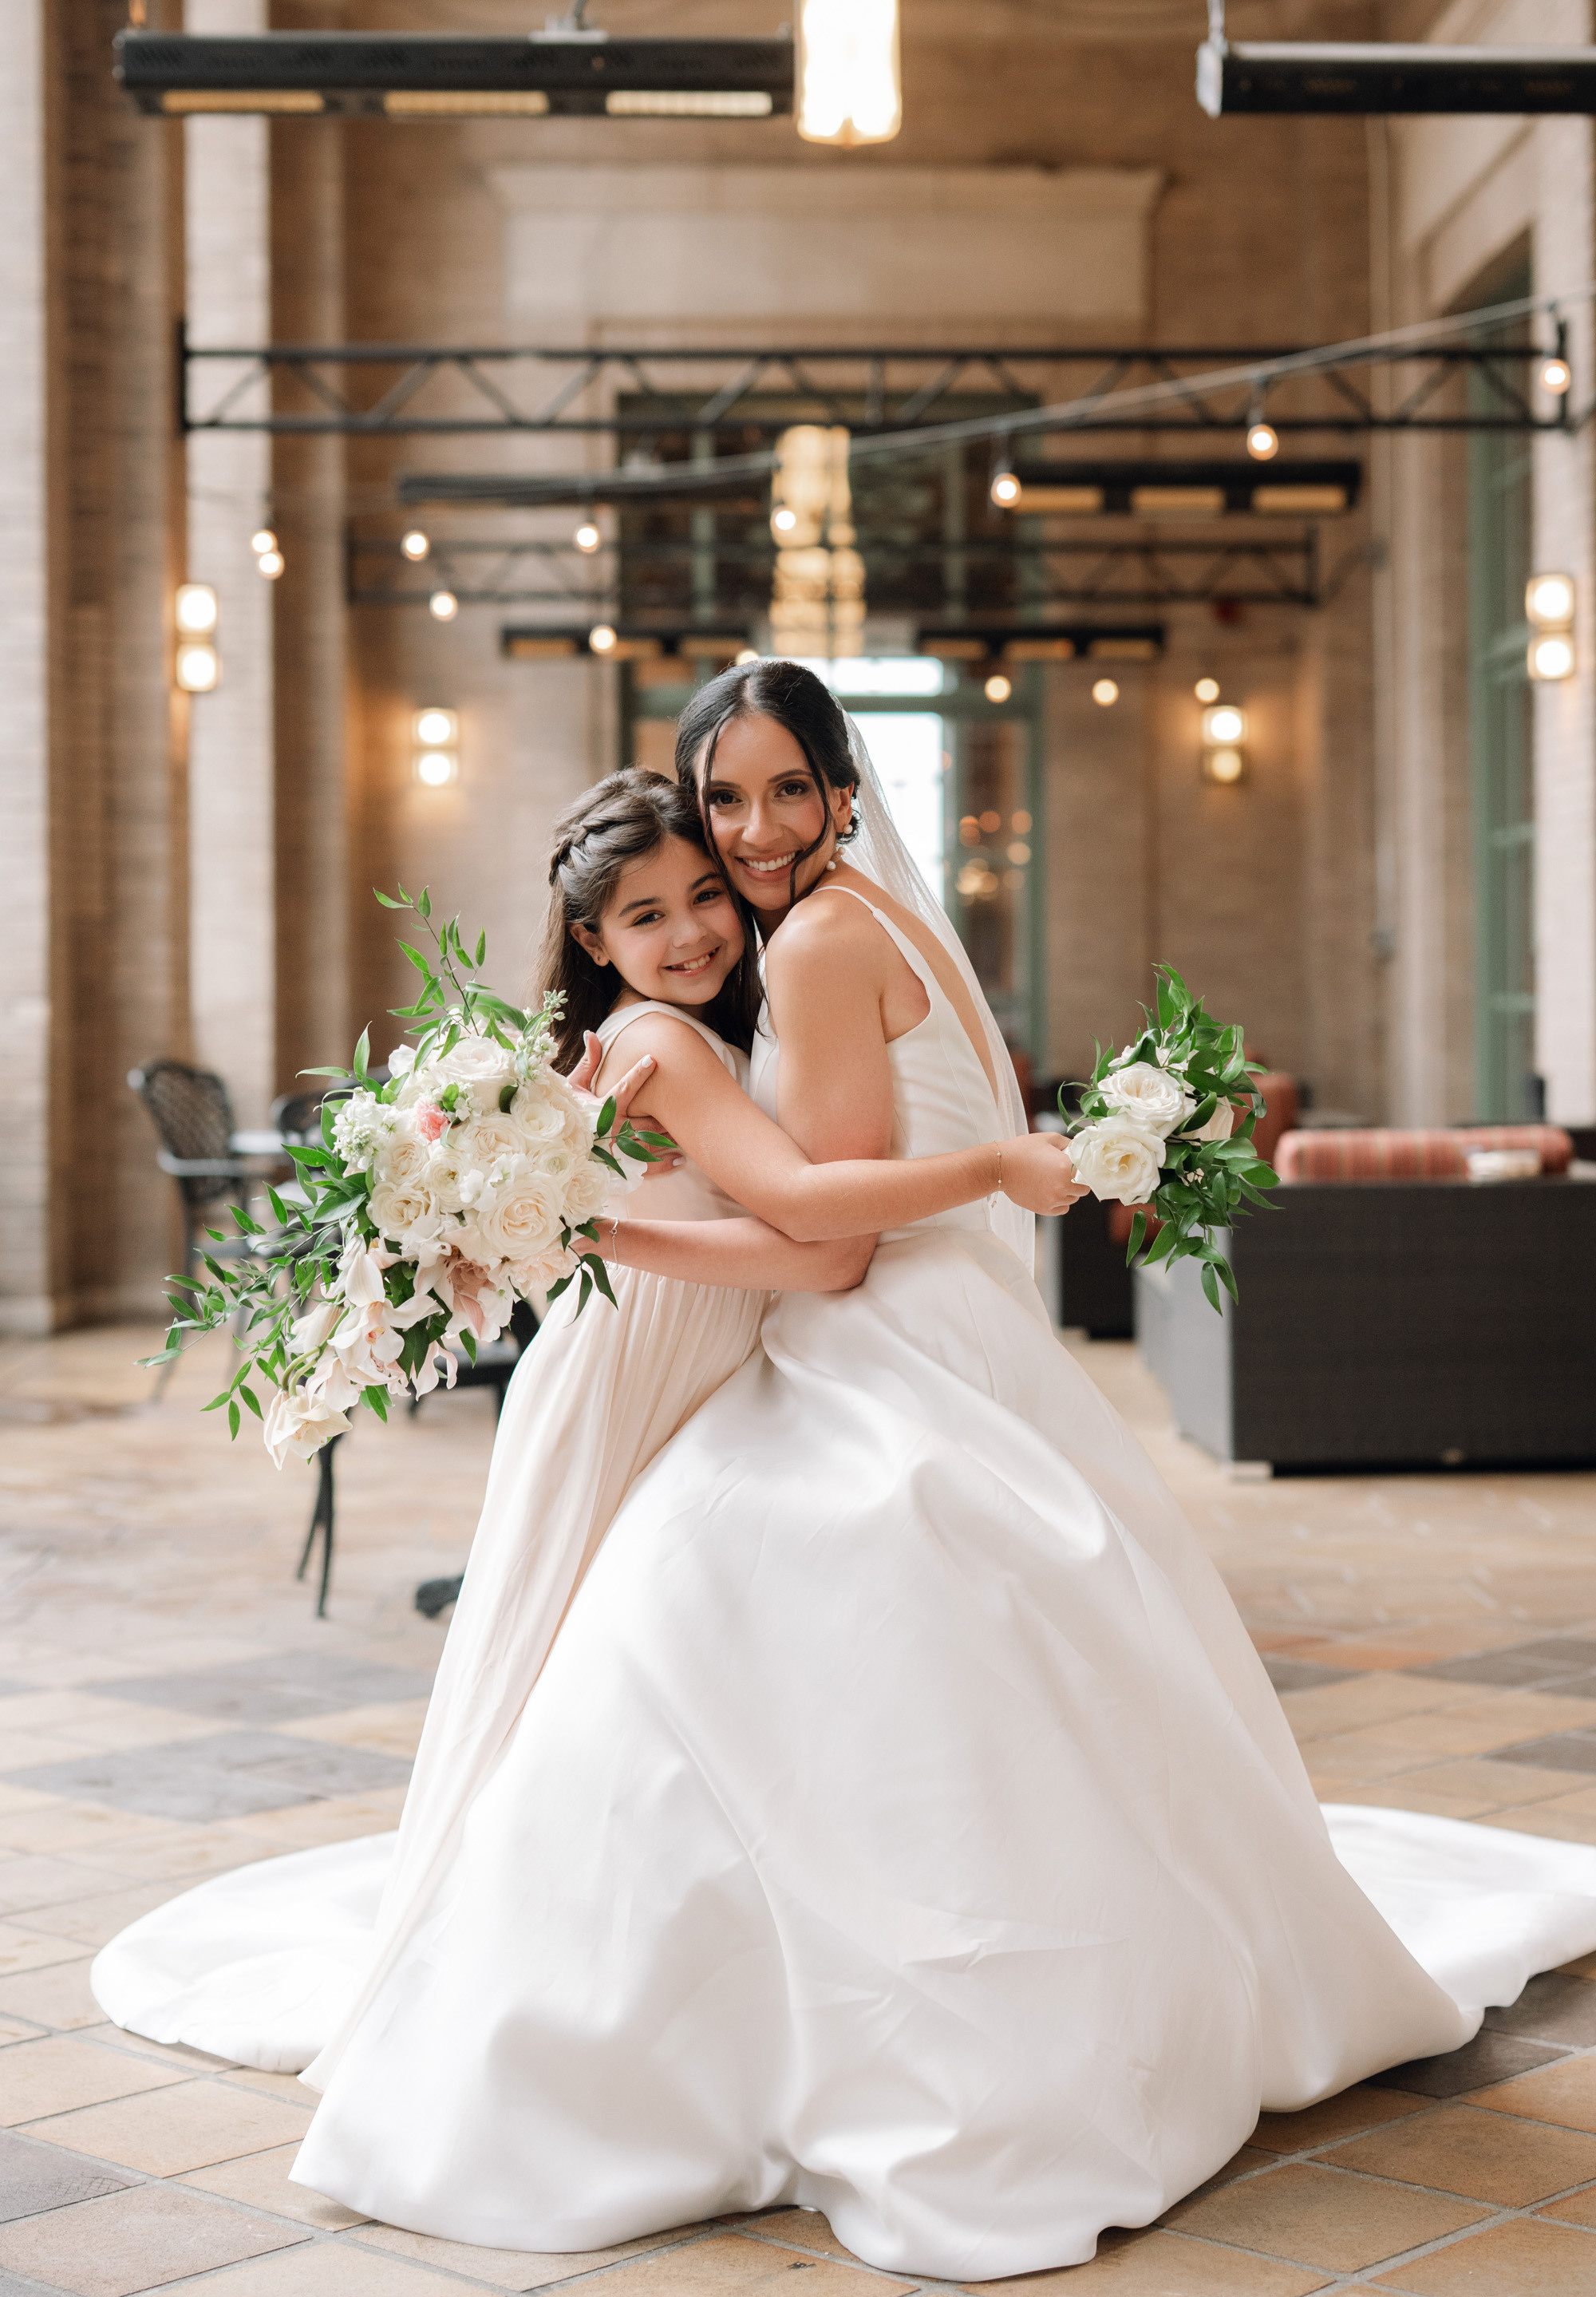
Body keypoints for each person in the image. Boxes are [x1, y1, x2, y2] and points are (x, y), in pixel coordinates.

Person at [279, 662, 1596, 2282]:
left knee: (709, 1620)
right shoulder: (857, 930)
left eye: (778, 797)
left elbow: (825, 1236)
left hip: (875, 1356)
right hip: (941, 1334)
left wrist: (583, 1219)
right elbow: (809, 1182)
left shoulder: (823, 941)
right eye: (722, 805)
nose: (748, 841)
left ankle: (742, 2039)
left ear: (844, 791)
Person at [91, 762, 1084, 2083]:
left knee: (593, 1655)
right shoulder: (665, 1042)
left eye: (701, 899)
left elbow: (778, 1240)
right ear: (590, 940)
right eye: (646, 917)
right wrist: (989, 1169)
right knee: (579, 1646)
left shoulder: (655, 1037)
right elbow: (799, 1216)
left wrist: (581, 1227)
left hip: (674, 1350)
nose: (689, 934)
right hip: (638, 1362)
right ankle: (539, 1952)